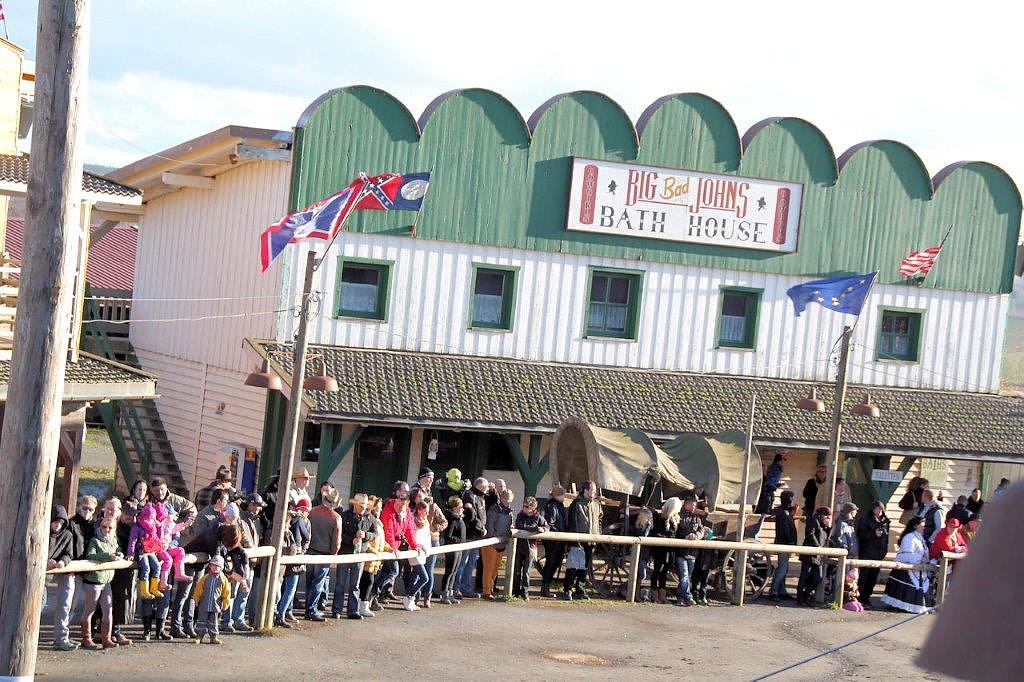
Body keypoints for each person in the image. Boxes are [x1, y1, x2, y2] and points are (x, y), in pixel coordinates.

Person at [149, 476, 198, 640]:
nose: (159, 493)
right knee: (153, 591)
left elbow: (192, 509)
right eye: (156, 491)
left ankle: (163, 627)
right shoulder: (150, 503)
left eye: (161, 489)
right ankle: (149, 628)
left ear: (166, 487)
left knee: (167, 591)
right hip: (156, 547)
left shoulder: (176, 500)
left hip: (173, 542)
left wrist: (183, 522)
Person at [371, 485, 420, 610]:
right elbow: (389, 532)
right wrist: (393, 547)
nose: (399, 508)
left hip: (396, 546)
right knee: (394, 571)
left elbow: (409, 530)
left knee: (387, 572)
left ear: (407, 504)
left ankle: (374, 596)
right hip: (387, 546)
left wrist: (414, 545)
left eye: (402, 506)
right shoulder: (388, 510)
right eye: (398, 505)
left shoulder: (407, 512)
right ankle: (373, 592)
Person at [80, 515, 123, 650]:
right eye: (104, 526)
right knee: (90, 610)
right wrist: (107, 556)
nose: (107, 529)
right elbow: (90, 556)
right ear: (99, 527)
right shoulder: (95, 541)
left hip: (107, 581)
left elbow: (119, 551)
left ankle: (106, 639)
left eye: (110, 527)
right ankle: (86, 638)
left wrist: (119, 555)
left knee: (108, 610)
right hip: (93, 580)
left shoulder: (113, 541)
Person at [333, 492, 376, 619]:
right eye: (360, 504)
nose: (363, 507)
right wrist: (351, 540)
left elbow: (374, 534)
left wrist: (366, 535)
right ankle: (336, 610)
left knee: (355, 585)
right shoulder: (344, 515)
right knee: (340, 584)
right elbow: (339, 534)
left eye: (365, 504)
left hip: (360, 555)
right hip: (345, 554)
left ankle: (352, 611)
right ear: (355, 504)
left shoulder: (370, 517)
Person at [305, 488, 343, 621]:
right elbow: (336, 542)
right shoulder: (336, 518)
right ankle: (311, 610)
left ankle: (308, 609)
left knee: (309, 581)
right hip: (324, 554)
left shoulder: (312, 511)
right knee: (318, 583)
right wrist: (333, 555)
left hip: (310, 550)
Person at [881, 516, 932, 613]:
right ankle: (901, 606)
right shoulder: (909, 537)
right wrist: (920, 558)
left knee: (922, 586)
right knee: (911, 585)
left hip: (919, 567)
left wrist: (925, 557)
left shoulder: (920, 537)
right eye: (922, 524)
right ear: (916, 525)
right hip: (908, 567)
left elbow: (924, 551)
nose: (924, 526)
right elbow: (907, 555)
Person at [275, 498, 311, 628]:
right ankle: (281, 614)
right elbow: (307, 537)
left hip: (287, 560)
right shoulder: (300, 521)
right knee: (290, 589)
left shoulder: (290, 524)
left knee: (283, 589)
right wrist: (301, 550)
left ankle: (283, 612)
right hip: (294, 559)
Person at [565, 481, 601, 601]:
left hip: (591, 541)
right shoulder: (576, 504)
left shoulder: (596, 505)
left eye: (595, 490)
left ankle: (580, 590)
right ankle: (568, 590)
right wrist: (576, 540)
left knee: (584, 567)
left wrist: (598, 536)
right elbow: (573, 522)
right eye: (592, 490)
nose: (594, 492)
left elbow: (599, 520)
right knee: (573, 566)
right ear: (585, 490)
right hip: (578, 540)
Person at [411, 485, 447, 607]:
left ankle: (427, 597)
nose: (420, 498)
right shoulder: (414, 508)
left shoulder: (433, 506)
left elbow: (444, 522)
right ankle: (414, 597)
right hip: (419, 541)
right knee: (417, 570)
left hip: (432, 540)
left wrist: (432, 528)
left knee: (429, 569)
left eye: (422, 495)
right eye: (418, 496)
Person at [48, 504, 77, 651]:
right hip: (40, 574)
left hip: (60, 570)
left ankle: (61, 638)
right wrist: (45, 560)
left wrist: (62, 561)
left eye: (60, 522)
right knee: (39, 603)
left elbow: (68, 554)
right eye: (55, 522)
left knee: (65, 604)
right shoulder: (42, 531)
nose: (57, 525)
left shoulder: (67, 535)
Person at [512, 496, 548, 600]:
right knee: (516, 570)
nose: (524, 508)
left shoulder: (538, 517)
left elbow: (547, 527)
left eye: (527, 506)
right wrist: (535, 529)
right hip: (519, 546)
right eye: (524, 506)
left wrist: (542, 529)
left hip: (531, 547)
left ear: (533, 508)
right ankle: (515, 592)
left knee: (526, 571)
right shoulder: (520, 515)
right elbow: (521, 525)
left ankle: (525, 593)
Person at [458, 476, 489, 598]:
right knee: (463, 562)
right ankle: (456, 588)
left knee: (471, 563)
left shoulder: (481, 497)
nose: (487, 489)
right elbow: (472, 517)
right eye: (485, 486)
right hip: (470, 534)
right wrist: (481, 529)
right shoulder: (470, 496)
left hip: (477, 535)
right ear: (479, 486)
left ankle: (466, 588)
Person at [855, 500, 890, 609]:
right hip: (867, 552)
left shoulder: (886, 521)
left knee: (873, 578)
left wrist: (884, 551)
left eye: (881, 509)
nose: (879, 511)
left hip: (879, 553)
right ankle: (859, 597)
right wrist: (874, 534)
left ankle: (867, 597)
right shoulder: (865, 520)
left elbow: (886, 538)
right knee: (864, 577)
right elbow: (861, 534)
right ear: (873, 509)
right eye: (877, 509)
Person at [358, 496, 389, 615]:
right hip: (368, 558)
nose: (379, 510)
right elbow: (367, 540)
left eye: (380, 508)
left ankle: (363, 605)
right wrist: (371, 550)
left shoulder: (379, 523)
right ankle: (363, 606)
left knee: (369, 582)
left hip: (376, 559)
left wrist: (390, 549)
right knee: (367, 581)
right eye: (377, 508)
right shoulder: (369, 521)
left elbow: (381, 541)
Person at [482, 489, 515, 598]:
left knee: (495, 569)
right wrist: (494, 538)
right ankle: (486, 591)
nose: (508, 501)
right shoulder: (493, 510)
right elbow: (490, 526)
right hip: (491, 543)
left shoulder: (510, 512)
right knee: (489, 568)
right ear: (502, 498)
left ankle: (491, 588)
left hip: (502, 543)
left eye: (510, 499)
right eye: (507, 499)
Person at [191, 555, 231, 645]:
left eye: (217, 566)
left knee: (214, 622)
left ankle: (213, 637)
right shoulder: (205, 577)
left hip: (215, 605)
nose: (215, 567)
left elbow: (227, 592)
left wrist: (225, 603)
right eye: (213, 565)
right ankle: (199, 636)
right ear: (210, 566)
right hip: (204, 604)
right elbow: (198, 589)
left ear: (221, 567)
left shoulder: (223, 579)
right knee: (201, 621)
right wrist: (196, 599)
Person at [796, 506, 831, 606]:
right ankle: (800, 598)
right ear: (822, 515)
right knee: (804, 575)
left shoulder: (823, 525)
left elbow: (826, 538)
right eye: (826, 516)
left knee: (818, 577)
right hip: (809, 553)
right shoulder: (813, 521)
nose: (828, 518)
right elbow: (810, 534)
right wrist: (817, 546)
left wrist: (827, 527)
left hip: (817, 555)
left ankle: (806, 594)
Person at [649, 497, 680, 605]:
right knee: (657, 571)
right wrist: (667, 539)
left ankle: (662, 596)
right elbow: (656, 533)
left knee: (664, 573)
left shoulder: (675, 520)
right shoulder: (660, 518)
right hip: (660, 550)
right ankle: (654, 595)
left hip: (669, 551)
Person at [540, 485, 569, 598]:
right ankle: (545, 587)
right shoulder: (552, 506)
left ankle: (546, 586)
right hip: (553, 540)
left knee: (555, 562)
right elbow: (550, 523)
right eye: (563, 495)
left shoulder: (558, 506)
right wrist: (560, 533)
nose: (564, 497)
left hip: (558, 539)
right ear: (558, 495)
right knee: (551, 562)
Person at [674, 494, 703, 607]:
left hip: (692, 552)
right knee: (685, 575)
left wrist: (696, 536)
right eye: (692, 504)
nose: (694, 507)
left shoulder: (697, 518)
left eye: (695, 505)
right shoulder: (678, 516)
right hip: (681, 552)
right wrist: (686, 536)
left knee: (687, 576)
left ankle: (682, 597)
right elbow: (676, 531)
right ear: (686, 504)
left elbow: (701, 530)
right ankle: (687, 596)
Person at [768, 490, 798, 600]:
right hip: (784, 544)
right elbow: (785, 530)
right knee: (782, 568)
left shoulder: (785, 512)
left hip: (785, 543)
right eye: (792, 498)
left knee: (784, 568)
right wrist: (790, 541)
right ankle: (774, 591)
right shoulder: (784, 513)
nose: (793, 500)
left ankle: (782, 590)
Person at [403, 502, 433, 611]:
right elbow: (412, 537)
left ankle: (409, 600)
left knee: (414, 577)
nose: (427, 513)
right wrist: (419, 546)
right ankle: (409, 596)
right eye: (425, 511)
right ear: (419, 510)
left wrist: (427, 548)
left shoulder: (425, 521)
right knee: (424, 578)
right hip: (415, 551)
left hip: (423, 552)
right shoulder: (413, 520)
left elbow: (427, 536)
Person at [440, 496, 467, 605]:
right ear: (455, 508)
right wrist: (459, 541)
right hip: (453, 549)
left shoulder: (459, 518)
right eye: (460, 507)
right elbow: (448, 536)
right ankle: (444, 594)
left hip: (459, 548)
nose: (462, 509)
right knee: (449, 571)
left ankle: (450, 593)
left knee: (455, 571)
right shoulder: (452, 519)